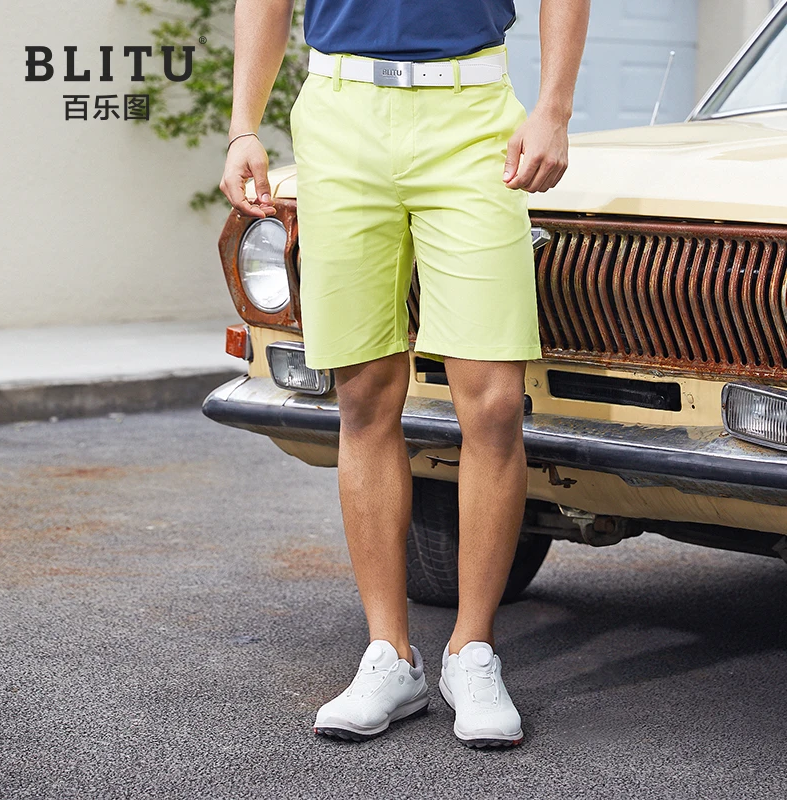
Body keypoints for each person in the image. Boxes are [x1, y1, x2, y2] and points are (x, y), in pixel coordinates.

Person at [220, 0, 589, 748]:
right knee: (362, 396)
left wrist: (553, 107)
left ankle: (472, 651)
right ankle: (390, 656)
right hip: (341, 114)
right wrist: (242, 127)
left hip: (472, 114)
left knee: (494, 404)